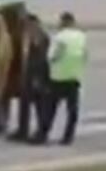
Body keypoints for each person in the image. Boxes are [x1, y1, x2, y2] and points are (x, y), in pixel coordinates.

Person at [34, 11, 87, 145]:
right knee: (72, 110)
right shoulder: (81, 36)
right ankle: (68, 137)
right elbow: (85, 55)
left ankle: (42, 134)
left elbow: (52, 56)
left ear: (62, 22)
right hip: (73, 77)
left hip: (57, 77)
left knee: (50, 109)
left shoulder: (60, 37)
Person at [9, 12, 52, 142]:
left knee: (39, 105)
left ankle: (41, 132)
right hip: (28, 74)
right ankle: (23, 130)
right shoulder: (28, 36)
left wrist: (37, 78)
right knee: (25, 103)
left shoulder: (39, 36)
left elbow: (40, 59)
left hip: (37, 75)